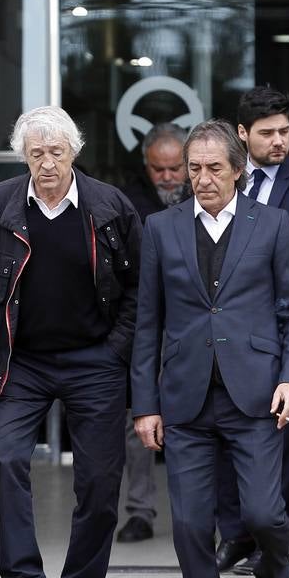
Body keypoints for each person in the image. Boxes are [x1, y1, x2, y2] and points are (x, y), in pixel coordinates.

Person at [0, 106, 140, 578]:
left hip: (94, 359)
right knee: (4, 456)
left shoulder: (109, 206)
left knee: (98, 480)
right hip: (21, 360)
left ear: (74, 152)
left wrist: (117, 348)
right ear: (23, 157)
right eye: (36, 154)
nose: (47, 164)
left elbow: (140, 285)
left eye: (56, 153)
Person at [131, 119, 289, 578]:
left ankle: (275, 576)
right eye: (195, 169)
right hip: (184, 401)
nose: (203, 179)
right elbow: (147, 324)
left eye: (215, 169)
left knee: (263, 513)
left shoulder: (274, 224)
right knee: (188, 525)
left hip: (256, 394)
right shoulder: (161, 229)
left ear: (239, 170)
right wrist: (145, 405)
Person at [215, 86, 289, 575]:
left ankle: (275, 544)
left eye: (285, 131)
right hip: (229, 330)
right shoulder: (220, 180)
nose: (279, 141)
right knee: (226, 437)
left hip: (279, 329)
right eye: (267, 133)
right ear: (241, 134)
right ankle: (233, 534)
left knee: (281, 440)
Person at [116, 121, 188, 545]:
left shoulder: (208, 196)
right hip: (142, 322)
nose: (166, 177)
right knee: (137, 418)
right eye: (157, 169)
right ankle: (139, 511)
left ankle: (196, 515)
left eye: (174, 168)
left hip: (195, 323)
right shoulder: (127, 203)